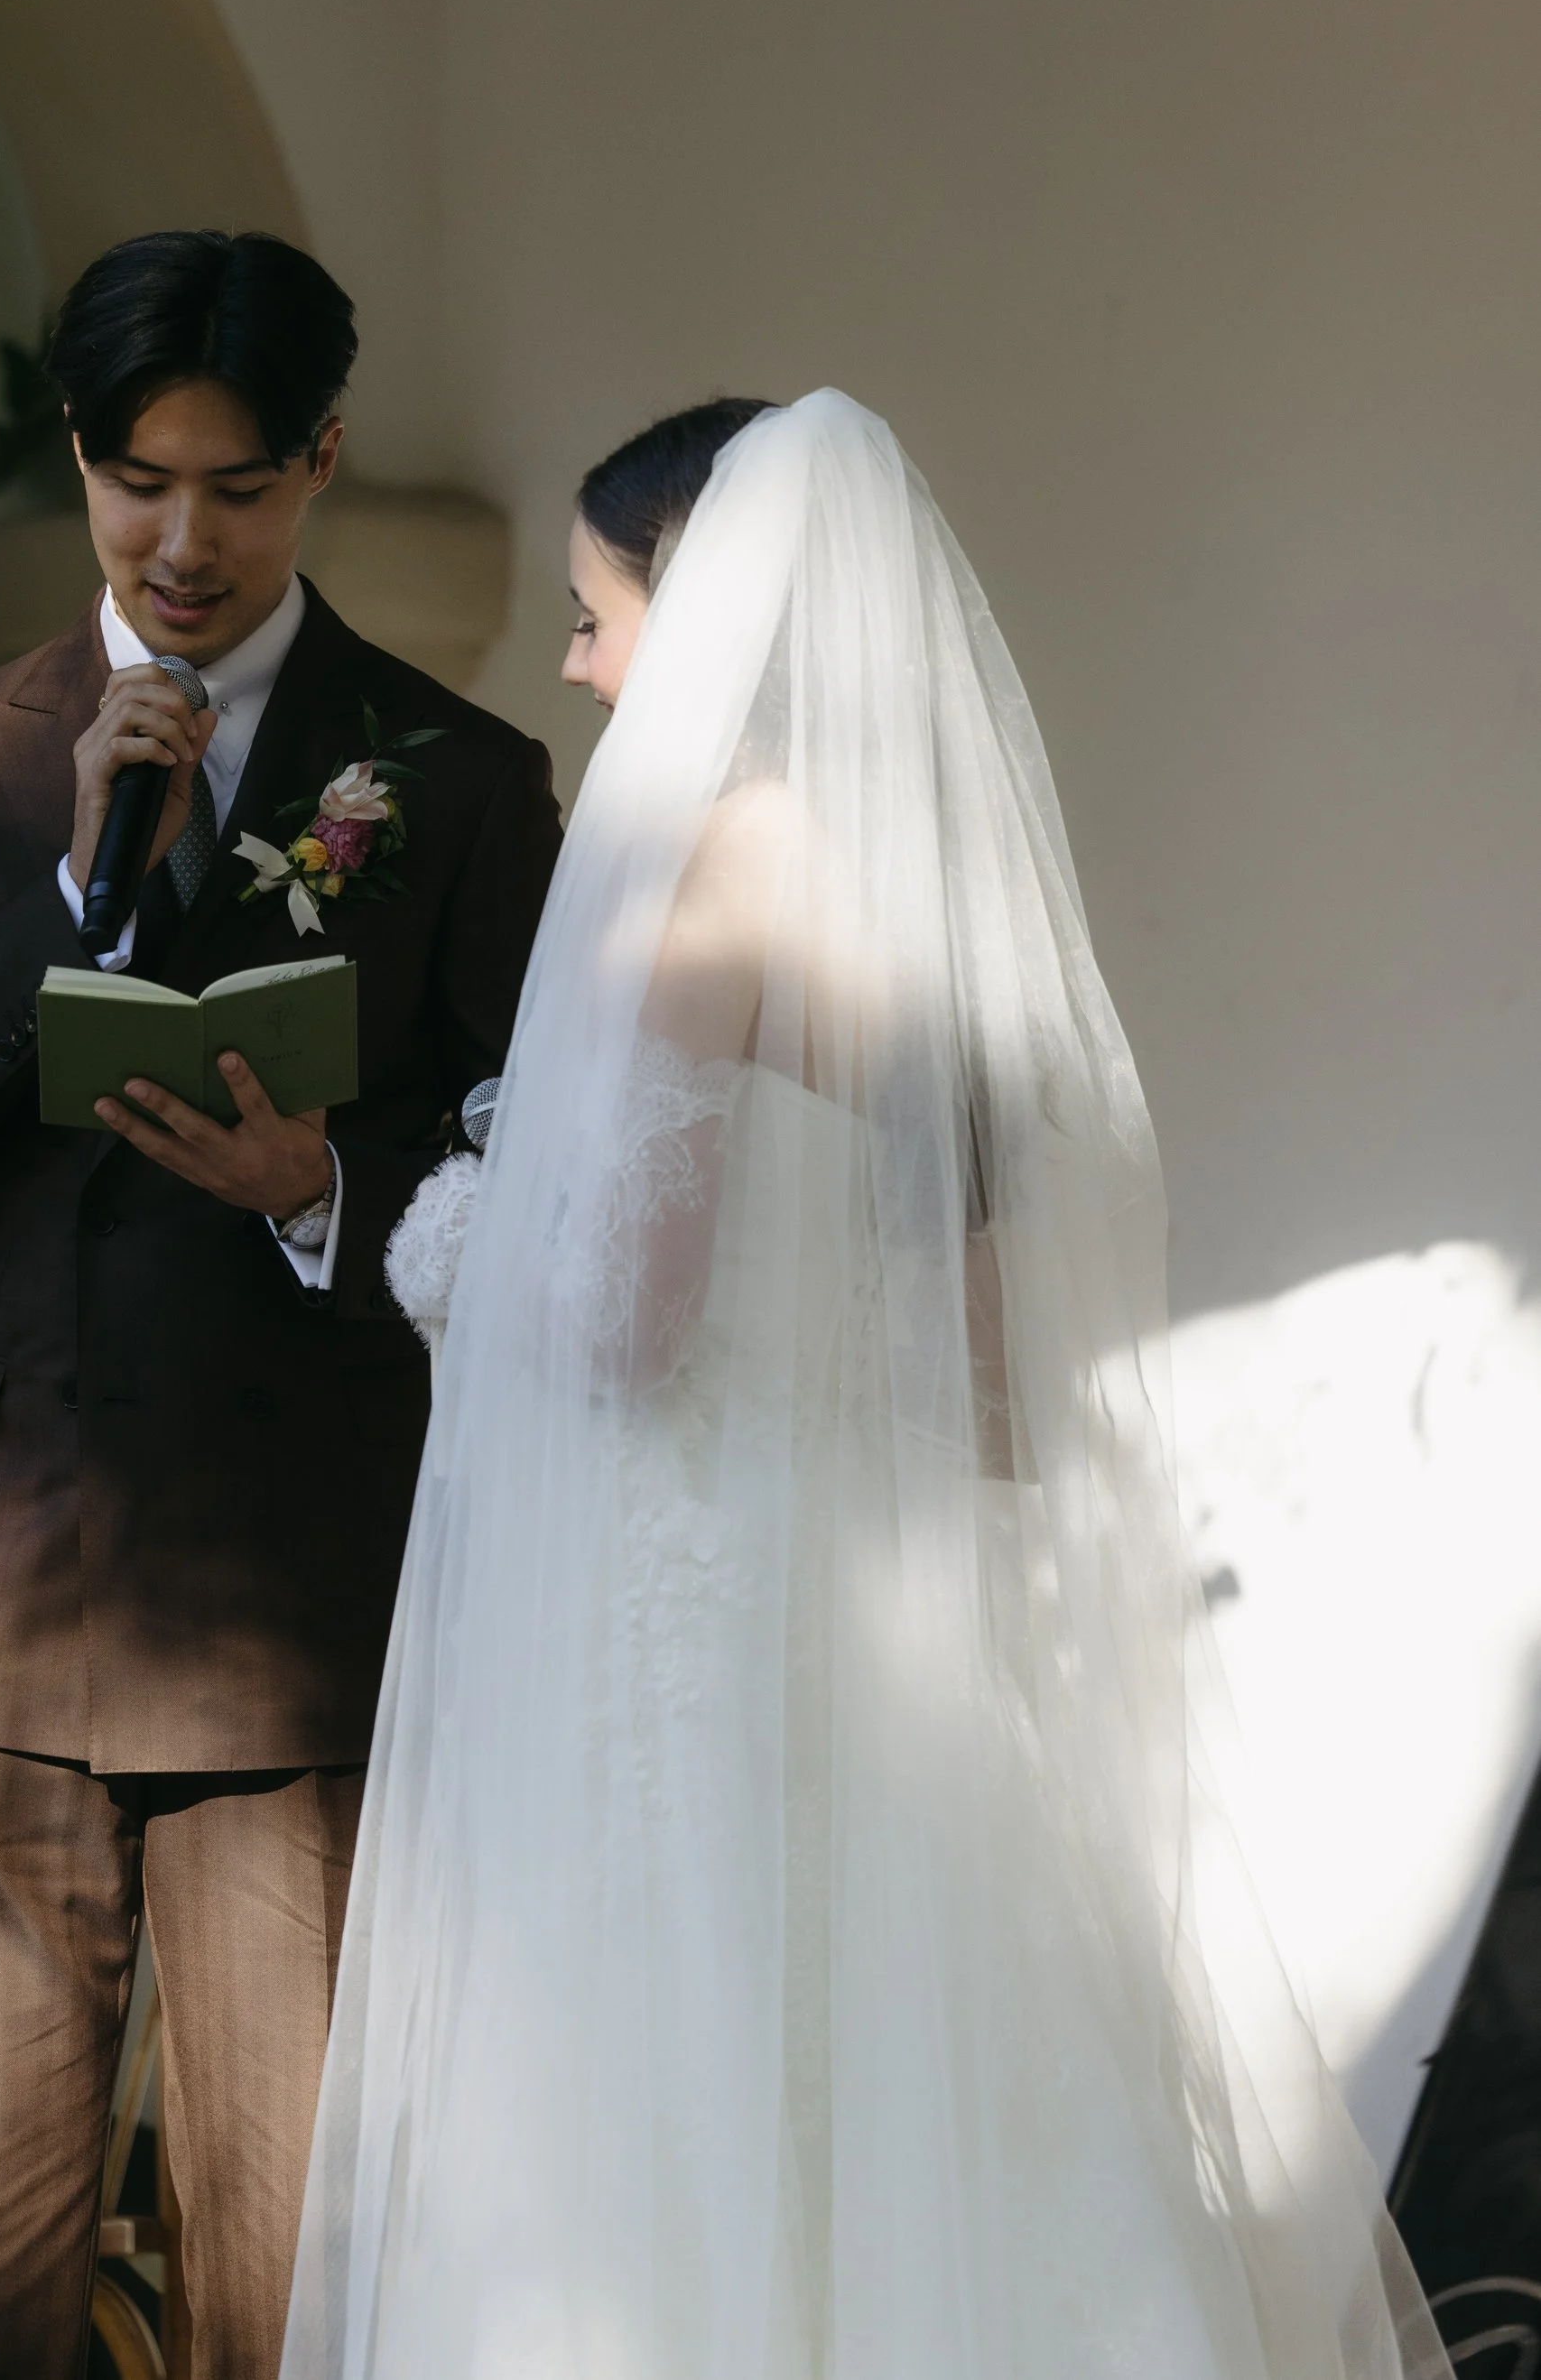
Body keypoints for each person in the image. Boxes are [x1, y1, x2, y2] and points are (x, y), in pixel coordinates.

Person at [283, 389, 1447, 2380]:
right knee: (913, 2069)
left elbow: (626, 1315)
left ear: (702, 603)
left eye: (592, 607)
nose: (571, 657)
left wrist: (442, 1239)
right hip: (855, 1583)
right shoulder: (898, 885)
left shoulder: (694, 881)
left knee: (672, 2089)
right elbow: (967, 1294)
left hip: (684, 1584)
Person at [0, 229, 561, 2380]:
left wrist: (324, 1185)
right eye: (137, 482)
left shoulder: (462, 779)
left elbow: (552, 1185)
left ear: (321, 458)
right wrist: (53, 897)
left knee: (299, 2283)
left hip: (299, 1609)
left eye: (237, 484)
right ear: (78, 459)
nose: (183, 539)